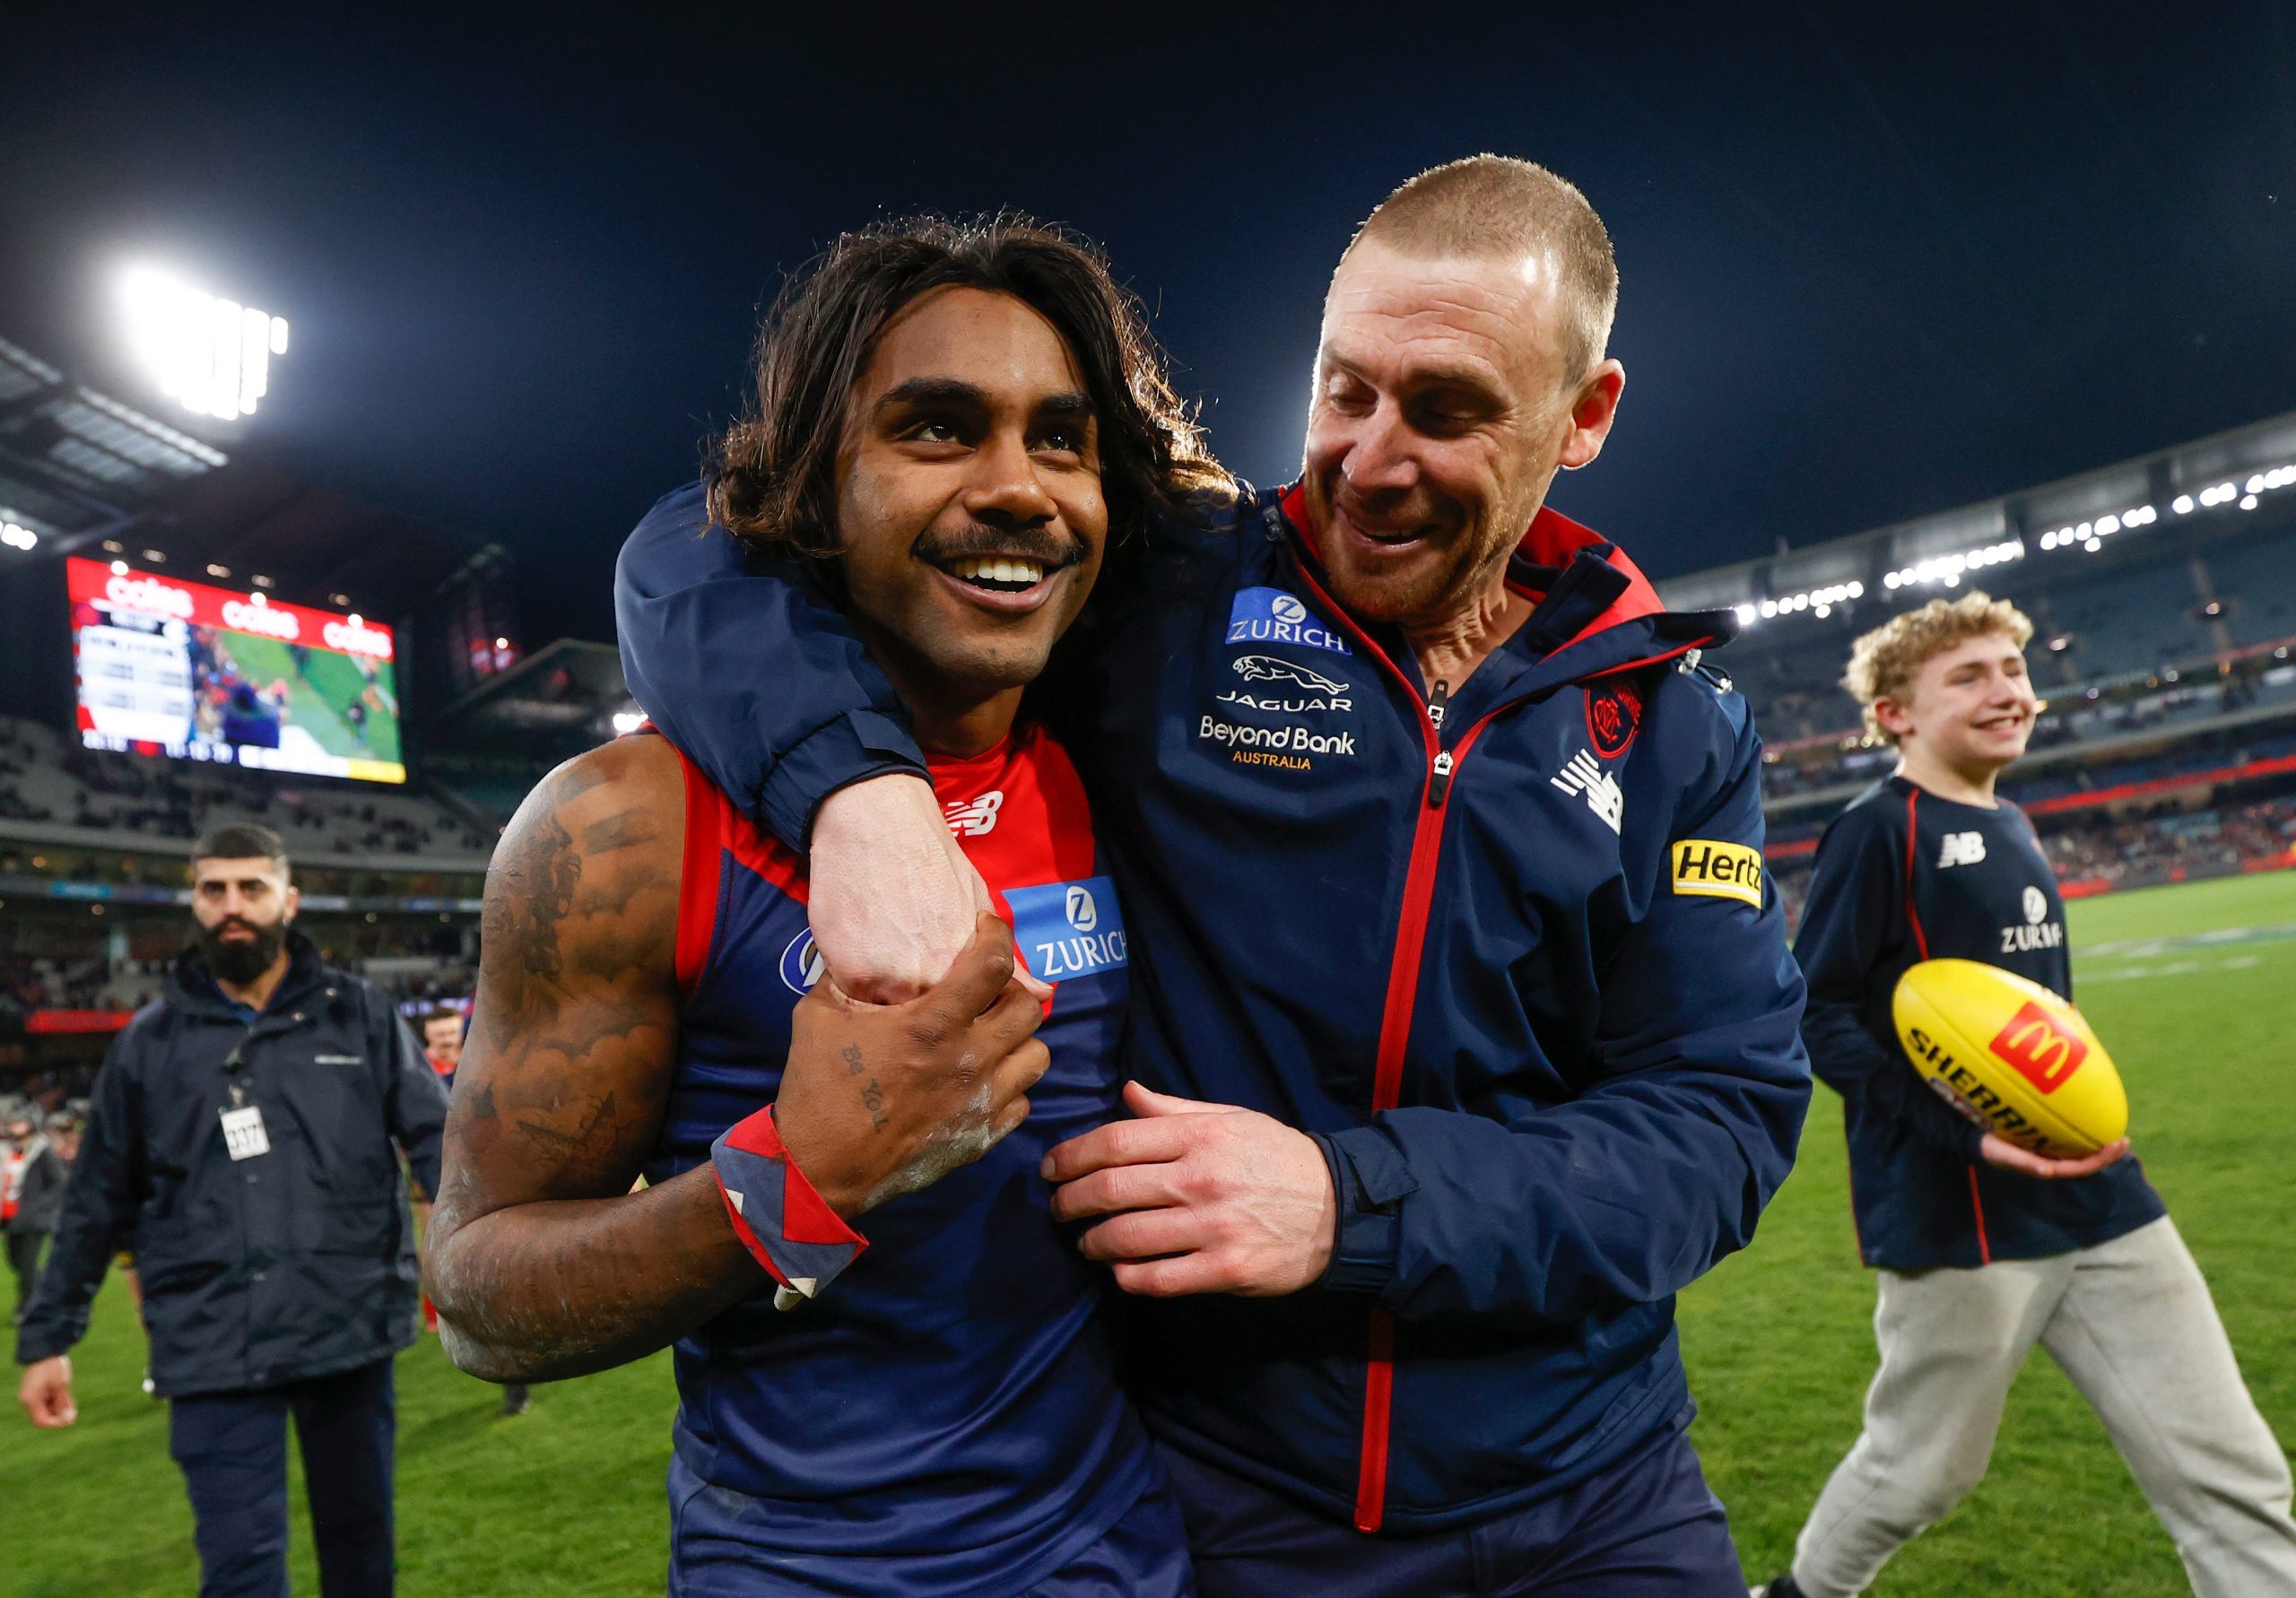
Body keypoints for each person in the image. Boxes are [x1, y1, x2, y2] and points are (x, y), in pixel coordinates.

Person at [616, 158, 1812, 1594]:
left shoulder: (1673, 720)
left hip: (1594, 1489)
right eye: (1344, 389)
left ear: (1586, 416)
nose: (1372, 458)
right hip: (1239, 1498)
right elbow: (698, 547)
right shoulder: (1171, 589)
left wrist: (1347, 1202)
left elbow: (1716, 1124)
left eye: (1446, 411)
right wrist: (859, 797)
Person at [424, 213, 1226, 1595]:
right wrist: (792, 1183)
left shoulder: (1133, 763)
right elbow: (482, 1295)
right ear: (812, 487)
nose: (1017, 486)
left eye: (1060, 436)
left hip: (1130, 1553)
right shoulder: (625, 823)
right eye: (935, 429)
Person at [1753, 595, 2296, 1598]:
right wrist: (1966, 1144)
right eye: (1968, 676)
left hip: (2102, 1195)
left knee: (2230, 1468)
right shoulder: (1877, 834)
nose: (2006, 691)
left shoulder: (2011, 818)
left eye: (2012, 670)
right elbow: (1816, 1014)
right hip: (1959, 1214)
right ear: (1894, 716)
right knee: (1920, 1473)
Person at [15, 821, 449, 1598]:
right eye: (214, 889)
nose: (232, 905)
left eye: (251, 886)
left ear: (291, 897)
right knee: (239, 1571)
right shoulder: (147, 1045)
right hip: (211, 1341)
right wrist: (49, 1338)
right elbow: (94, 1200)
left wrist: (469, 1269)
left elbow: (442, 1146)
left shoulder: (360, 1015)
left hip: (345, 1325)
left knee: (362, 1557)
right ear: (195, 900)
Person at [5, 1112, 68, 1321]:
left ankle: (27, 1308)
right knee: (15, 1261)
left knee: (27, 1265)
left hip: (34, 1219)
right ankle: (50, 1294)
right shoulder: (11, 1155)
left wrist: (40, 1206)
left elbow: (58, 1183)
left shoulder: (42, 1151)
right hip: (12, 1219)